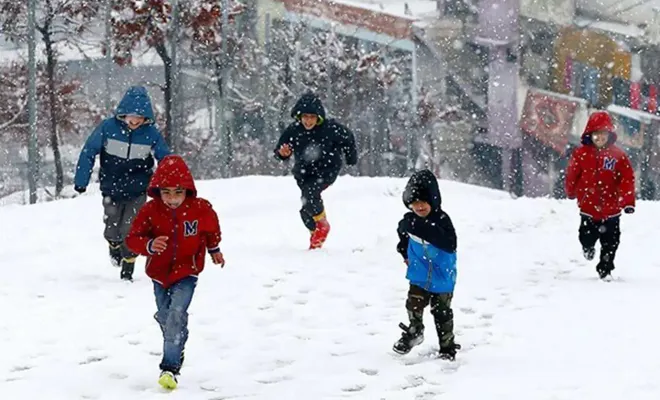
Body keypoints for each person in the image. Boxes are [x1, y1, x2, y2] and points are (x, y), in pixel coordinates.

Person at [125, 154, 225, 390]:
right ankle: (177, 339)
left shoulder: (200, 209)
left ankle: (169, 367)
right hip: (159, 273)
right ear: (158, 191)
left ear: (187, 190)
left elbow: (211, 229)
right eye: (166, 192)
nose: (172, 199)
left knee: (176, 313)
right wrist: (149, 245)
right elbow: (133, 238)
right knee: (165, 316)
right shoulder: (150, 210)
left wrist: (214, 249)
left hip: (187, 271)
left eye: (178, 192)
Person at [74, 86, 171, 281]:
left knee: (132, 228)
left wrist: (169, 183)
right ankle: (114, 245)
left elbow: (165, 158)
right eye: (131, 117)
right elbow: (89, 151)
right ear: (123, 114)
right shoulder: (108, 128)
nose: (135, 121)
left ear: (147, 118)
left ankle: (129, 264)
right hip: (111, 187)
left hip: (138, 189)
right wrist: (81, 180)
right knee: (112, 227)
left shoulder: (151, 134)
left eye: (140, 118)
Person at [274, 91, 358, 249]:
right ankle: (315, 231)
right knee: (306, 209)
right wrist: (282, 153)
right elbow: (280, 149)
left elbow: (348, 137)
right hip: (304, 172)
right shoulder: (294, 130)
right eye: (305, 117)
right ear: (299, 117)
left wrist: (350, 157)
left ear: (318, 117)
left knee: (311, 194)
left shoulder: (330, 128)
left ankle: (322, 226)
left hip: (326, 170)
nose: (308, 121)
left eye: (312, 117)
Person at [393, 169, 460, 361]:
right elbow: (403, 236)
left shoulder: (441, 220)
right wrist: (403, 251)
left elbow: (449, 243)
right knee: (413, 303)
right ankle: (415, 332)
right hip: (419, 273)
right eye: (414, 203)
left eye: (423, 202)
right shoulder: (408, 221)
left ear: (433, 200)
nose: (419, 206)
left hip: (442, 275)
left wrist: (422, 228)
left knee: (442, 313)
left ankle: (447, 347)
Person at [565, 110, 635, 280]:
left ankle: (605, 269)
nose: (599, 138)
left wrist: (627, 201)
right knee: (586, 236)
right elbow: (573, 174)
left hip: (612, 209)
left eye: (603, 134)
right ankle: (588, 247)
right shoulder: (581, 154)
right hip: (588, 207)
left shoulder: (618, 156)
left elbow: (626, 179)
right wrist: (571, 190)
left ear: (609, 135)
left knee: (611, 242)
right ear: (590, 135)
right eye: (596, 134)